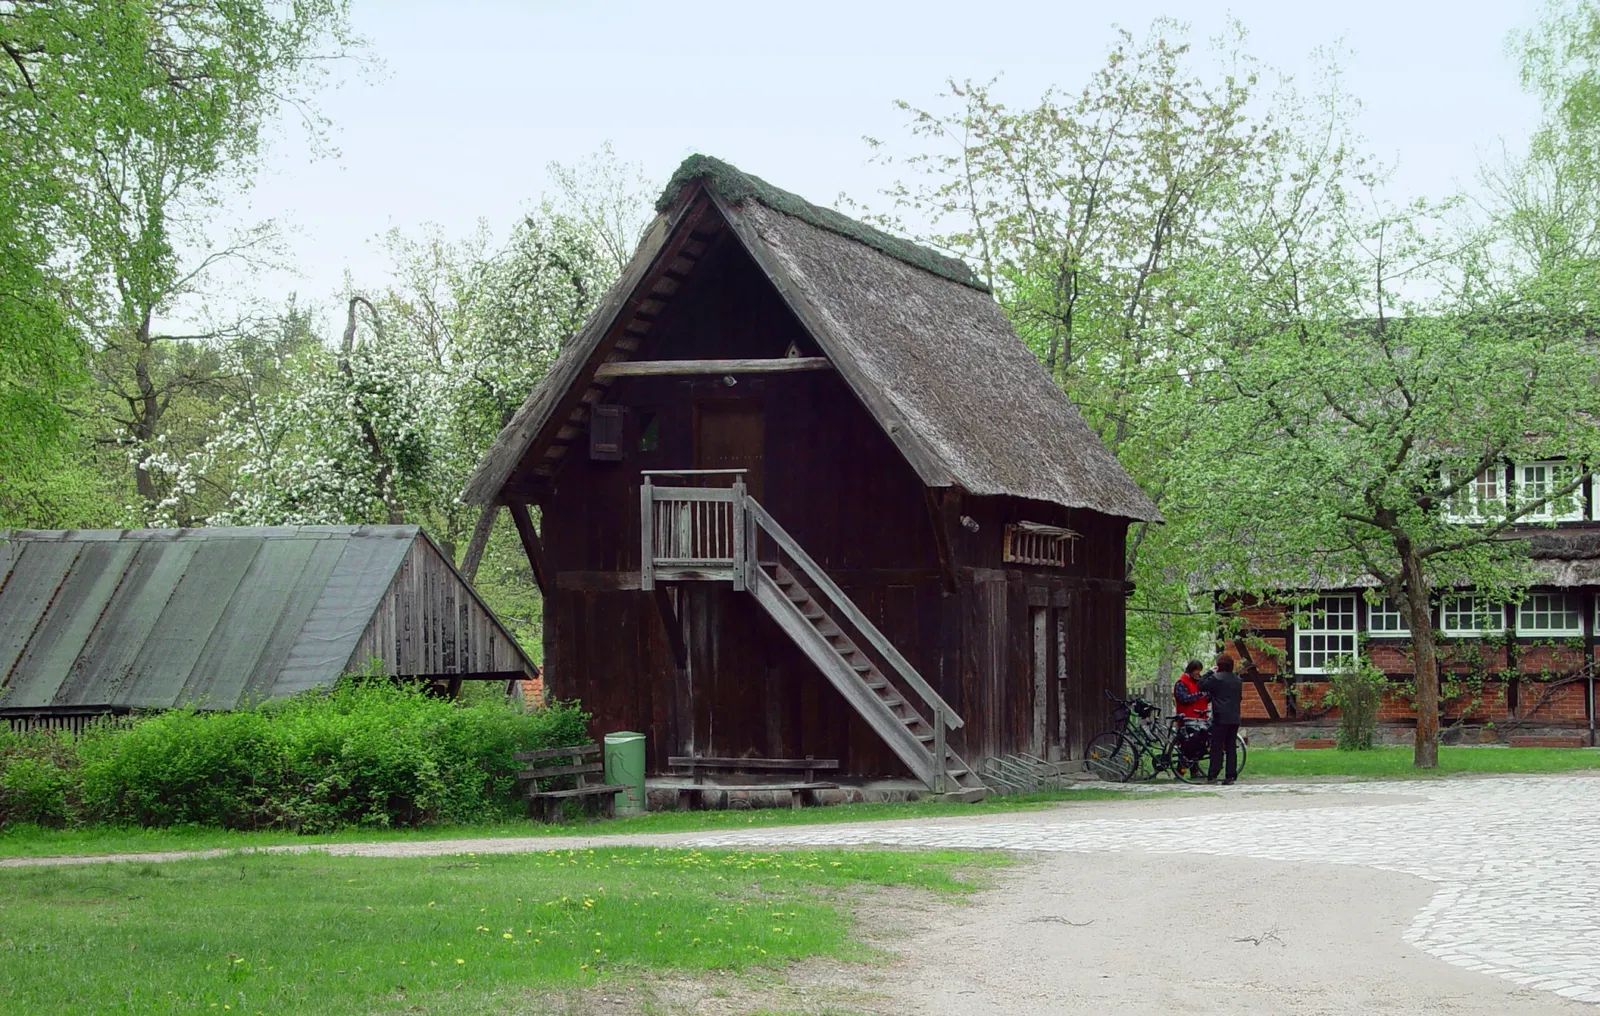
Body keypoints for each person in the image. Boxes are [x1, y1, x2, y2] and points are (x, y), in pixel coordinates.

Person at [1199, 653, 1242, 784]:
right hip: (1234, 717)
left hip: (1220, 716)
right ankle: (1231, 776)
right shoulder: (1237, 680)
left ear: (1218, 666)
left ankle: (1213, 774)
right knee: (1230, 747)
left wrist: (1209, 672)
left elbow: (1201, 685)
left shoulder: (1216, 678)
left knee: (1216, 746)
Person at [1171, 660, 1210, 775]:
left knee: (1198, 745)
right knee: (1185, 745)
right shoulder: (1181, 682)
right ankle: (1181, 770)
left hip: (1200, 718)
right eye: (1197, 671)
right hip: (1187, 719)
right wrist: (1199, 695)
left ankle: (1194, 769)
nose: (1198, 673)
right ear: (1191, 670)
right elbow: (1183, 698)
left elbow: (1206, 698)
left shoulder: (1199, 682)